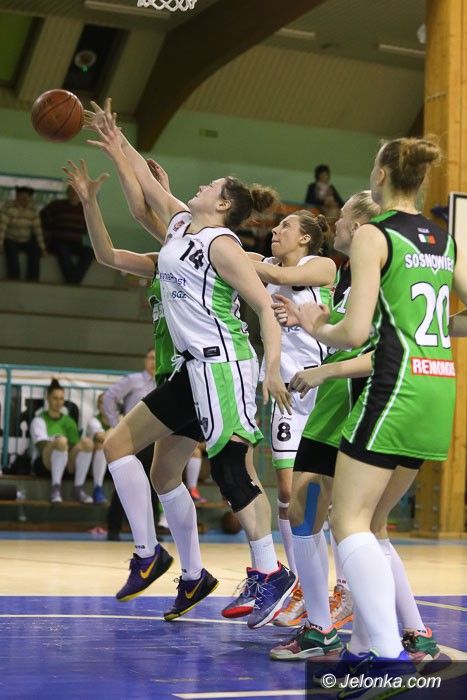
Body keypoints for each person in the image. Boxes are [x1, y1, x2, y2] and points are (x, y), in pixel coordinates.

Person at [80, 100, 296, 628]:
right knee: (124, 447)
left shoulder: (222, 244)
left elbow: (263, 307)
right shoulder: (181, 227)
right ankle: (158, 556)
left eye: (210, 185)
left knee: (232, 469)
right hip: (189, 370)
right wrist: (115, 140)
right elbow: (144, 195)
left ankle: (270, 573)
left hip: (225, 366)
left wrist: (272, 366)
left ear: (222, 205)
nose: (200, 186)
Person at [274, 138, 467, 681]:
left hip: (392, 388)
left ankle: (386, 655)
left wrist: (316, 325)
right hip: (439, 388)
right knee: (367, 523)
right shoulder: (444, 238)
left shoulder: (373, 235)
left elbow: (355, 333)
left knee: (349, 522)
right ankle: (370, 644)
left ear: (380, 174)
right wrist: (431, 333)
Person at [221, 211, 336, 624]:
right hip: (286, 391)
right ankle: (301, 585)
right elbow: (234, 256)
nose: (275, 230)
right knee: (288, 494)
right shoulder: (267, 266)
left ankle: (339, 587)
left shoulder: (320, 265)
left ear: (305, 238)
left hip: (324, 391)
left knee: (330, 497)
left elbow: (276, 273)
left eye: (285, 226)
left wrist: (250, 263)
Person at [102, 349, 159, 541]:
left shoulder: (164, 382)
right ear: (145, 360)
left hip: (155, 439)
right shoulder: (133, 380)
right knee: (126, 482)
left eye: (157, 358)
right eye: (151, 358)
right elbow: (109, 397)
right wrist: (116, 425)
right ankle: (114, 527)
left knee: (153, 484)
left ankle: (151, 532)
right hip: (133, 437)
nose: (154, 362)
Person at [30, 378, 94, 503]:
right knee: (61, 442)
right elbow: (42, 447)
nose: (58, 402)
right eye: (55, 398)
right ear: (48, 398)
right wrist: (58, 443)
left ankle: (78, 488)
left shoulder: (69, 422)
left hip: (66, 463)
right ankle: (55, 488)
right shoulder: (39, 420)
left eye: (61, 399)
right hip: (43, 464)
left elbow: (75, 446)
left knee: (87, 443)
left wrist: (69, 453)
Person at [41, 185, 94, 284]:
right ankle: (72, 280)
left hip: (76, 243)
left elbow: (88, 228)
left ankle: (73, 279)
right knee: (63, 251)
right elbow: (42, 217)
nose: (74, 195)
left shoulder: (84, 209)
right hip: (58, 242)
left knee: (89, 252)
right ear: (68, 193)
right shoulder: (57, 205)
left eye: (77, 192)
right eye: (72, 192)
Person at [0, 185, 46, 281]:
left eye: (27, 196)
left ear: (30, 198)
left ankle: (32, 279)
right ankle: (14, 279)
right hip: (11, 239)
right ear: (17, 196)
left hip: (26, 239)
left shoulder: (33, 210)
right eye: (21, 195)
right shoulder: (8, 208)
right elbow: (2, 227)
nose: (24, 198)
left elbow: (37, 230)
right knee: (12, 259)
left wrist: (42, 248)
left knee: (36, 251)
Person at [85, 393, 111, 504]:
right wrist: (117, 424)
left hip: (113, 462)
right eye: (103, 403)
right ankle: (97, 488)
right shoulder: (93, 421)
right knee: (101, 446)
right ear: (98, 406)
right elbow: (102, 438)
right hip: (91, 465)